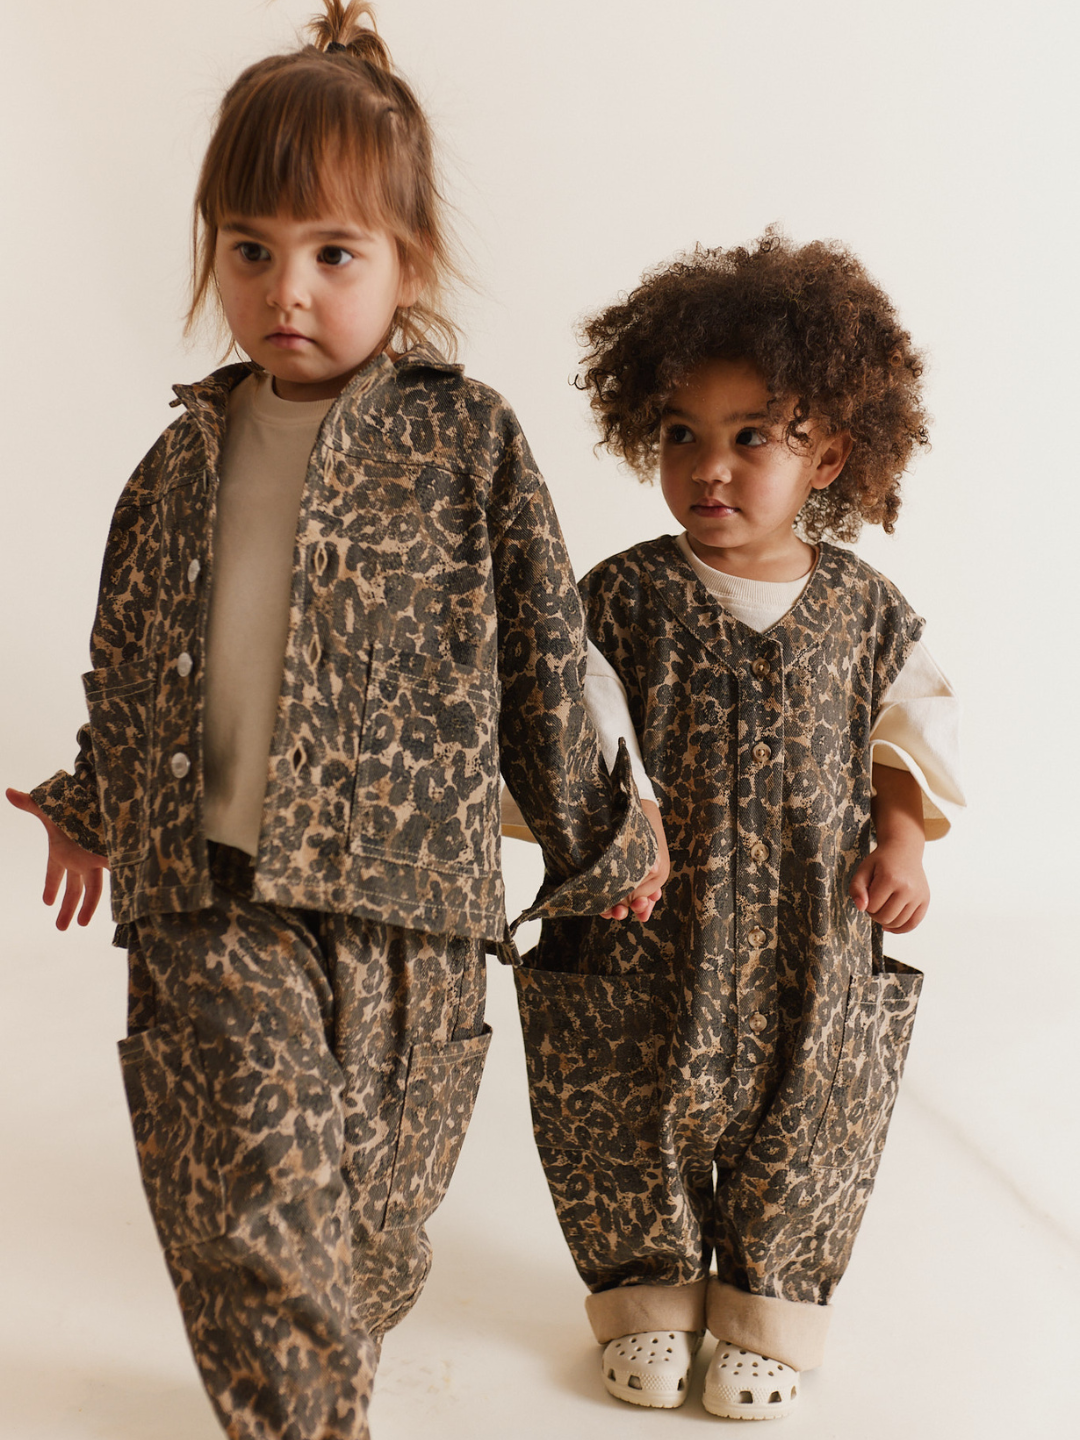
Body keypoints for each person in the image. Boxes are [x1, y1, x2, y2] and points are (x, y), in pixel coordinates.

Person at [5, 5, 659, 1437]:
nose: (283, 289)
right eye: (249, 250)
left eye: (331, 253)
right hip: (215, 896)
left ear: (406, 265)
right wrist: (95, 798)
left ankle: (323, 1360)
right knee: (251, 1172)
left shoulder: (466, 440)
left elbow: (547, 652)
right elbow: (134, 661)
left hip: (408, 908)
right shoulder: (176, 464)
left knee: (366, 1224)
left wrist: (610, 833)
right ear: (211, 252)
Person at [511, 232, 965, 1421]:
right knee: (622, 1105)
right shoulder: (617, 596)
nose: (709, 468)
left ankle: (769, 1307)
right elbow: (562, 721)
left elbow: (910, 727)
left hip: (810, 939)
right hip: (644, 933)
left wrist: (902, 839)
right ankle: (648, 1293)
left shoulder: (868, 612)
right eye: (681, 436)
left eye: (751, 436)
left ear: (830, 453)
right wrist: (595, 831)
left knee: (809, 1116)